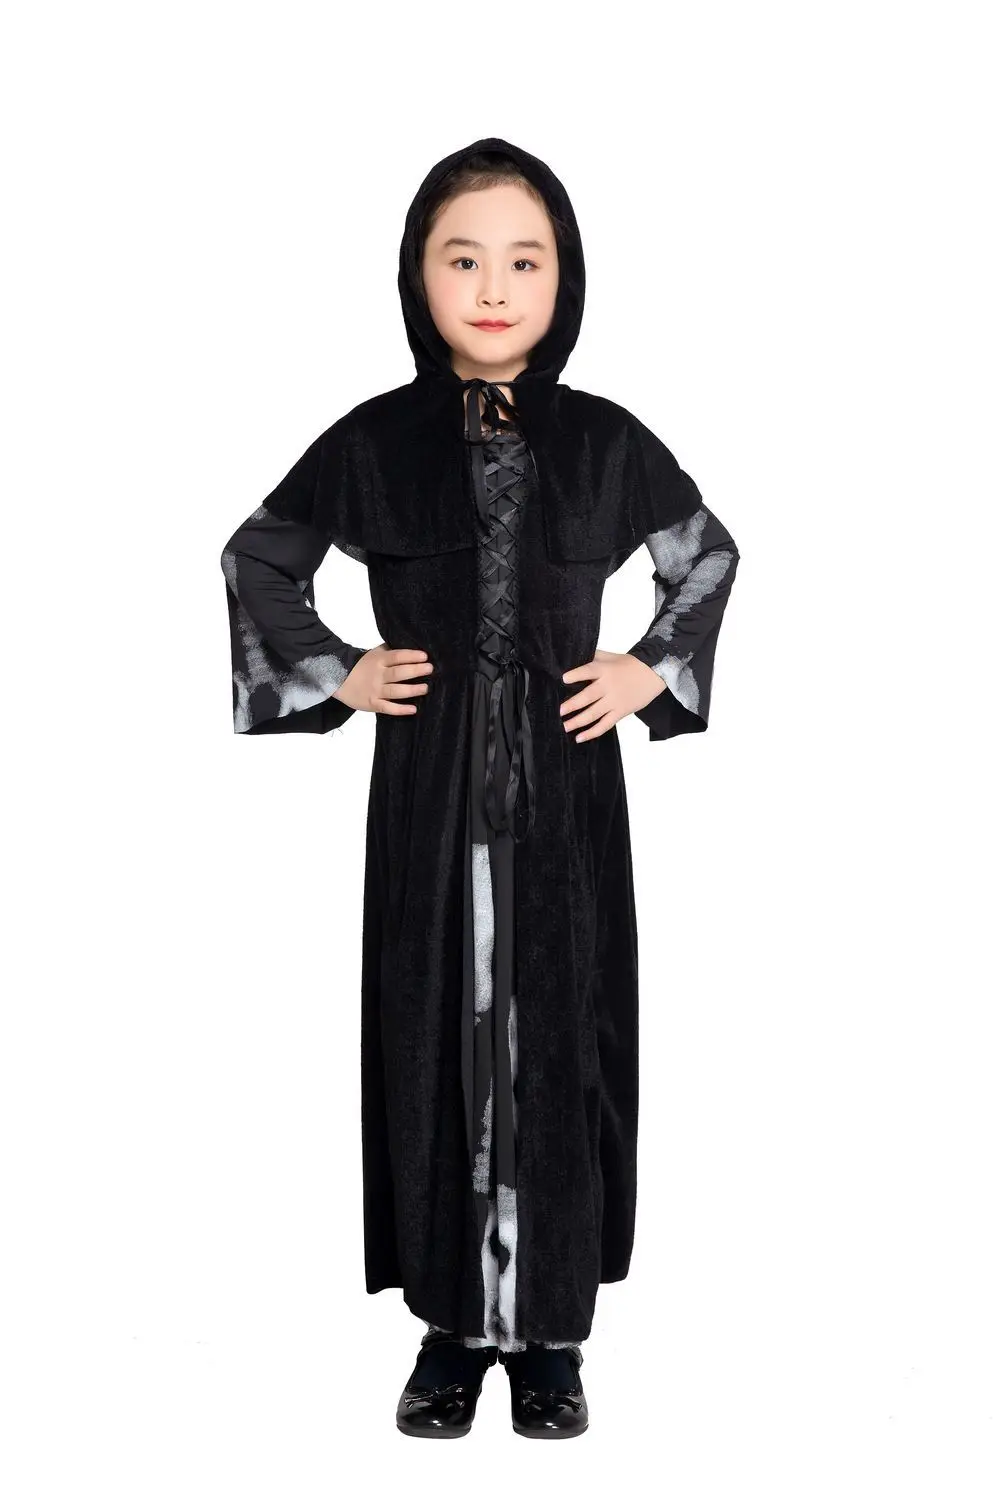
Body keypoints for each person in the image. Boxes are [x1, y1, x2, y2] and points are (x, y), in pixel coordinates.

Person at [221, 137, 740, 1440]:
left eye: (525, 260)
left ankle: (551, 1338)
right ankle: (452, 1332)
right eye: (463, 260)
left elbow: (706, 558)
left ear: (566, 278)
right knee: (432, 1027)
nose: (495, 288)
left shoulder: (605, 441)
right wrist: (340, 670)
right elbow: (258, 560)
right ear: (419, 276)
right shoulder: (376, 441)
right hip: (429, 794)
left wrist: (647, 666)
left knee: (563, 1037)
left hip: (567, 801)